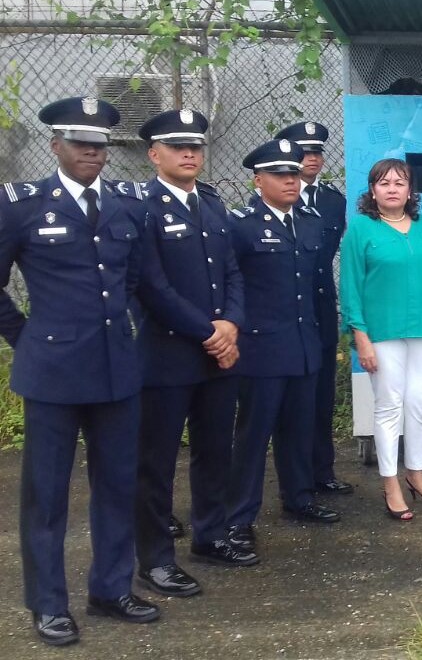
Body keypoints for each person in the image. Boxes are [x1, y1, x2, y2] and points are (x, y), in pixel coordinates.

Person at [0, 97, 157, 645]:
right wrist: (26, 338)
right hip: (53, 375)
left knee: (117, 485)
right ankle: (48, 603)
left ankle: (111, 589)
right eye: (80, 142)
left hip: (117, 371)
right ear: (56, 146)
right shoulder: (22, 206)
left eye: (99, 144)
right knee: (46, 495)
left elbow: (133, 279)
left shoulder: (125, 206)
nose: (92, 151)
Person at [133, 109, 258, 601]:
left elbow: (232, 273)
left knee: (215, 450)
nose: (189, 153)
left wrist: (232, 323)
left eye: (195, 146)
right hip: (167, 355)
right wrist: (211, 331)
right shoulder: (142, 207)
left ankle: (210, 535)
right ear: (154, 154)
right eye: (177, 146)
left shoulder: (210, 204)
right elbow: (151, 286)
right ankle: (156, 560)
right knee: (156, 462)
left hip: (218, 356)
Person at [225, 138, 339, 556]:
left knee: (299, 428)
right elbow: (229, 284)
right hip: (260, 350)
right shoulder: (240, 225)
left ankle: (299, 497)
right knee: (253, 437)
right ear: (259, 180)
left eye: (293, 173)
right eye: (279, 174)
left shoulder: (309, 223)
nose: (290, 180)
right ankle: (239, 518)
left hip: (303, 345)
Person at [341, 158, 422, 520]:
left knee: (419, 404)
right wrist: (360, 335)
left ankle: (415, 474)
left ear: (410, 191)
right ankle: (390, 482)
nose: (392, 189)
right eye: (384, 183)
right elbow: (351, 286)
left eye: (399, 183)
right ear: (372, 191)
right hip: (381, 331)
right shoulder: (361, 229)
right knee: (389, 405)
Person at [274, 121, 351, 496]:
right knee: (292, 401)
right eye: (304, 153)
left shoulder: (334, 201)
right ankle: (296, 481)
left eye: (317, 152)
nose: (312, 159)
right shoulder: (275, 199)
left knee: (322, 397)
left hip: (320, 307)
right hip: (286, 313)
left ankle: (323, 471)